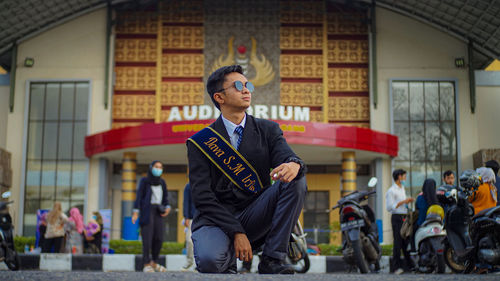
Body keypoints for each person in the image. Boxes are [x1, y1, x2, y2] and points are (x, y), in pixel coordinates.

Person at [186, 65, 307, 274]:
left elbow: (287, 156)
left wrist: (293, 164)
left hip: (254, 213)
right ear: (219, 97)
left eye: (247, 85)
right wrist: (236, 232)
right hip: (216, 220)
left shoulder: (267, 130)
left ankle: (272, 259)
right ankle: (226, 257)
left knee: (295, 179)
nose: (246, 90)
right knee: (210, 262)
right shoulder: (201, 142)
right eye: (238, 86)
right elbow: (202, 197)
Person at [132, 160, 171, 272]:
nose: (158, 169)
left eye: (160, 167)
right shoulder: (145, 181)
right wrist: (135, 212)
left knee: (159, 238)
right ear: (151, 167)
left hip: (158, 211)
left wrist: (167, 207)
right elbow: (139, 197)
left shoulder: (162, 182)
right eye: (156, 166)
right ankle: (146, 263)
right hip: (147, 211)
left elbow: (166, 198)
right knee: (147, 239)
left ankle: (154, 262)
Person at [385, 169, 415, 274]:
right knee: (397, 242)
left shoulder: (402, 189)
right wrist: (403, 201)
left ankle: (411, 266)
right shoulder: (391, 191)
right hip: (396, 217)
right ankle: (396, 267)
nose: (405, 179)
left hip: (404, 217)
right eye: (404, 176)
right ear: (399, 176)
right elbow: (389, 207)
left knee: (405, 242)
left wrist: (407, 204)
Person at [181, 183, 196, 271]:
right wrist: (186, 217)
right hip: (191, 218)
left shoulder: (205, 184)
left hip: (204, 217)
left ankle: (199, 265)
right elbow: (186, 202)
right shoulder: (188, 186)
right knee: (189, 241)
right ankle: (189, 262)